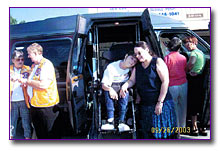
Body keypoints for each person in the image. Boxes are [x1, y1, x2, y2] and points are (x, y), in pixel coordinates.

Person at [120, 41, 177, 139]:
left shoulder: (157, 62)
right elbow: (132, 80)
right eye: (136, 54)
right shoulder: (137, 67)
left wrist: (160, 102)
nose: (137, 56)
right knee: (148, 135)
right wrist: (125, 86)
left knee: (163, 135)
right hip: (146, 106)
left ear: (147, 50)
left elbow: (165, 82)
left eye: (139, 53)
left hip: (160, 106)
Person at [19, 43, 60, 139]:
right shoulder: (34, 66)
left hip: (46, 107)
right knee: (40, 135)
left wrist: (27, 81)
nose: (28, 56)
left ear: (36, 53)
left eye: (29, 54)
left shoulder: (46, 65)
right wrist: (26, 83)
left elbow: (43, 85)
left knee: (50, 136)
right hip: (35, 106)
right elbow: (33, 83)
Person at [101, 51, 137, 132]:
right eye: (131, 58)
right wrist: (110, 90)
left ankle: (122, 121)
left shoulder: (131, 69)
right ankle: (110, 121)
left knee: (126, 93)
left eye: (134, 61)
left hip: (123, 87)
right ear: (126, 56)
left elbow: (132, 81)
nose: (132, 62)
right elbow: (104, 85)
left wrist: (124, 87)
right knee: (108, 93)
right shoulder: (112, 67)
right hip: (111, 86)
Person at [164, 37, 188, 138]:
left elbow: (165, 73)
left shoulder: (167, 58)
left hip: (171, 85)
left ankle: (175, 130)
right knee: (182, 107)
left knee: (173, 108)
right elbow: (185, 69)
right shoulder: (183, 57)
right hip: (183, 83)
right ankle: (181, 128)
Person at [183, 36, 206, 136]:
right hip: (200, 80)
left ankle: (194, 127)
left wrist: (186, 70)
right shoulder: (202, 53)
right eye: (186, 44)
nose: (187, 46)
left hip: (193, 80)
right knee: (198, 103)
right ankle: (201, 127)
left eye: (189, 43)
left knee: (192, 104)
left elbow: (191, 64)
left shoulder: (194, 53)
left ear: (194, 43)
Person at [10, 50, 32, 139]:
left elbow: (32, 82)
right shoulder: (8, 70)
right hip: (11, 101)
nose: (20, 61)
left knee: (26, 122)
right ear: (12, 60)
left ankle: (28, 138)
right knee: (11, 122)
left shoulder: (28, 69)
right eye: (18, 59)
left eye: (22, 59)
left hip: (24, 100)